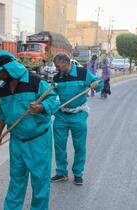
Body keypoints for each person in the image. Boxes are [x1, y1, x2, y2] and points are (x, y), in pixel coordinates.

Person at [0, 50, 60, 210]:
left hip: (38, 140)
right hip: (17, 141)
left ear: (9, 69)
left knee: (40, 182)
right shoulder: (2, 90)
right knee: (16, 181)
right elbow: (2, 114)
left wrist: (40, 107)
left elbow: (54, 100)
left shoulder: (35, 82)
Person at [51, 53, 103, 185]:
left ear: (65, 62)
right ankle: (61, 172)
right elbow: (52, 96)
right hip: (61, 116)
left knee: (79, 146)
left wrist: (95, 84)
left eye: (57, 66)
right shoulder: (57, 78)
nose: (56, 69)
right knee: (59, 146)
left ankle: (78, 173)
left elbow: (99, 84)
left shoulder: (83, 73)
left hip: (78, 115)